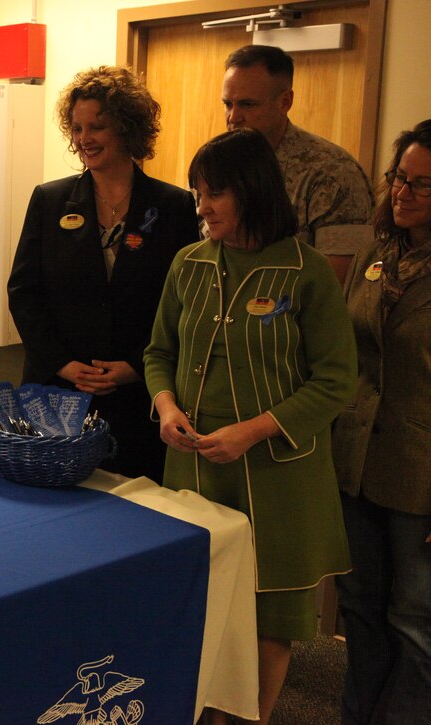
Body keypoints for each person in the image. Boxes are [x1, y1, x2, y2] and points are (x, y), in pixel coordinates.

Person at [144, 129, 357, 724]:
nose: (202, 207)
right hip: (193, 466)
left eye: (215, 194)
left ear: (254, 192)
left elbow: (336, 380)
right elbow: (157, 352)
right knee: (203, 604)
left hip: (276, 475)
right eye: (196, 194)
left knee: (268, 618)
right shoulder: (188, 264)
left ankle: (251, 718)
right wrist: (165, 407)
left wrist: (254, 429)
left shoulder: (304, 271)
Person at [7, 65, 199, 482]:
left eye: (97, 126)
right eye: (76, 128)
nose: (84, 139)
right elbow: (24, 292)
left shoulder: (174, 206)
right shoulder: (51, 200)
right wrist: (63, 364)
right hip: (58, 391)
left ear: (128, 129)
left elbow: (185, 304)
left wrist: (136, 365)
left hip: (137, 396)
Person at [332, 119, 431, 724]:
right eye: (400, 177)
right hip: (357, 463)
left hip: (420, 476)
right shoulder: (377, 251)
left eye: (422, 185)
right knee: (359, 607)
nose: (403, 193)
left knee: (415, 622)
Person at [221, 44, 373, 282]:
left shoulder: (333, 172)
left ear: (285, 102)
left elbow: (337, 283)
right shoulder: (220, 165)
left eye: (247, 104)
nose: (233, 117)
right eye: (228, 104)